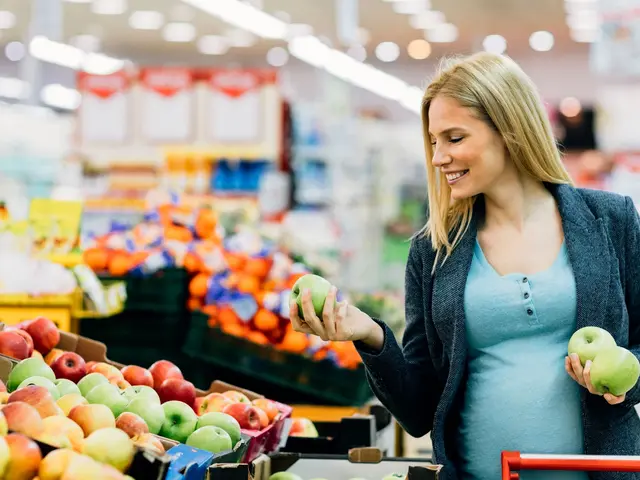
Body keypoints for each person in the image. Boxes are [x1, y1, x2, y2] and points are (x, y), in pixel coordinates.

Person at [289, 52, 640, 480]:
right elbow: (419, 410)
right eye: (434, 141)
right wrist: (371, 335)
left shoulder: (610, 221)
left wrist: (617, 381)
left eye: (454, 138)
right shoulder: (435, 250)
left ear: (510, 130)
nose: (438, 158)